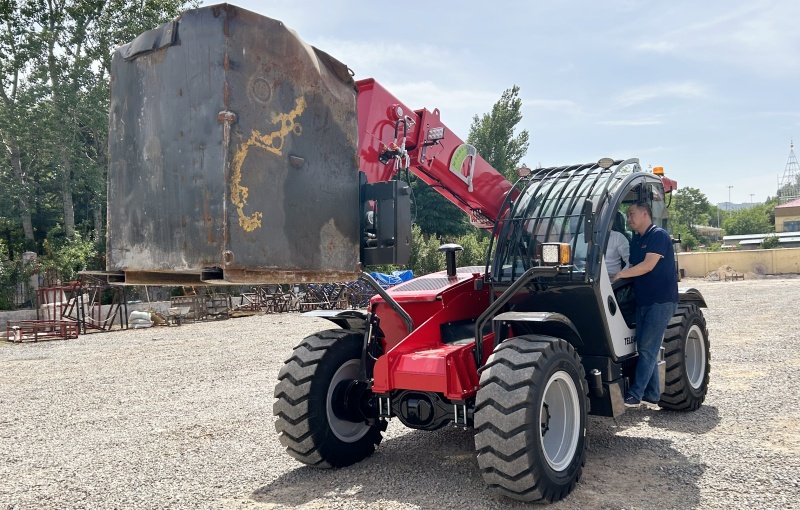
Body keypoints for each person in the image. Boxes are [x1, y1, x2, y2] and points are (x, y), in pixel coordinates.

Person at [611, 202, 678, 407]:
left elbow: (647, 266)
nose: (628, 218)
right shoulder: (636, 240)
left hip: (661, 301)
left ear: (645, 214)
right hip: (643, 300)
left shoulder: (658, 235)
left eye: (632, 214)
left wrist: (621, 274)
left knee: (648, 349)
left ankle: (636, 394)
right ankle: (653, 394)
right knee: (644, 347)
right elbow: (632, 264)